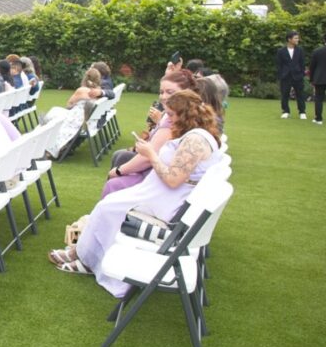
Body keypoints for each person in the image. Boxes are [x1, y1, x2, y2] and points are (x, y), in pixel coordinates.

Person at [49, 91, 223, 298]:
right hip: (162, 196)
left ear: (184, 115)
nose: (169, 119)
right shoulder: (197, 134)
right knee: (109, 204)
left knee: (108, 207)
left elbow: (173, 179)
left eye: (172, 115)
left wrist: (151, 154)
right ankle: (83, 254)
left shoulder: (195, 140)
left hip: (167, 204)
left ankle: (86, 259)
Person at [101, 69, 196, 197]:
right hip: (158, 170)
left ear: (185, 93)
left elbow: (147, 158)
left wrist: (118, 171)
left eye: (170, 92)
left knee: (115, 179)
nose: (163, 96)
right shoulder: (172, 115)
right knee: (120, 156)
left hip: (156, 176)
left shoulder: (172, 121)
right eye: (161, 92)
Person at [276, 30, 306, 119]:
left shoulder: (300, 50)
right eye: (295, 38)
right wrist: (281, 74)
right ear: (289, 39)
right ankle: (285, 111)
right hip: (285, 76)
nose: (298, 40)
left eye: (298, 38)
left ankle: (302, 112)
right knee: (284, 94)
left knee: (300, 94)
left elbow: (302, 63)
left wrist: (301, 74)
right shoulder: (281, 51)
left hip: (297, 76)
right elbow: (279, 64)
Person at [310, 33, 326, 125]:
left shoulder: (317, 51)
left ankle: (318, 119)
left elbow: (312, 67)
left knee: (319, 98)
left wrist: (312, 79)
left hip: (320, 78)